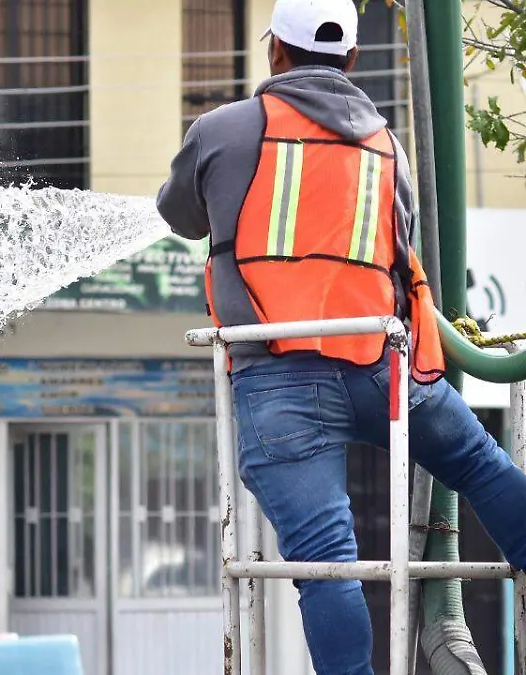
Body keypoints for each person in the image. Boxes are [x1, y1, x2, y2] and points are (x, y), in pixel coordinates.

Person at [155, 0, 526, 673]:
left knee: (328, 562)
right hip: (381, 369)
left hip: (277, 380)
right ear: (351, 60)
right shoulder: (386, 147)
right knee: (481, 463)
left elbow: (177, 211)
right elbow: (402, 245)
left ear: (275, 54)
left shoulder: (221, 131)